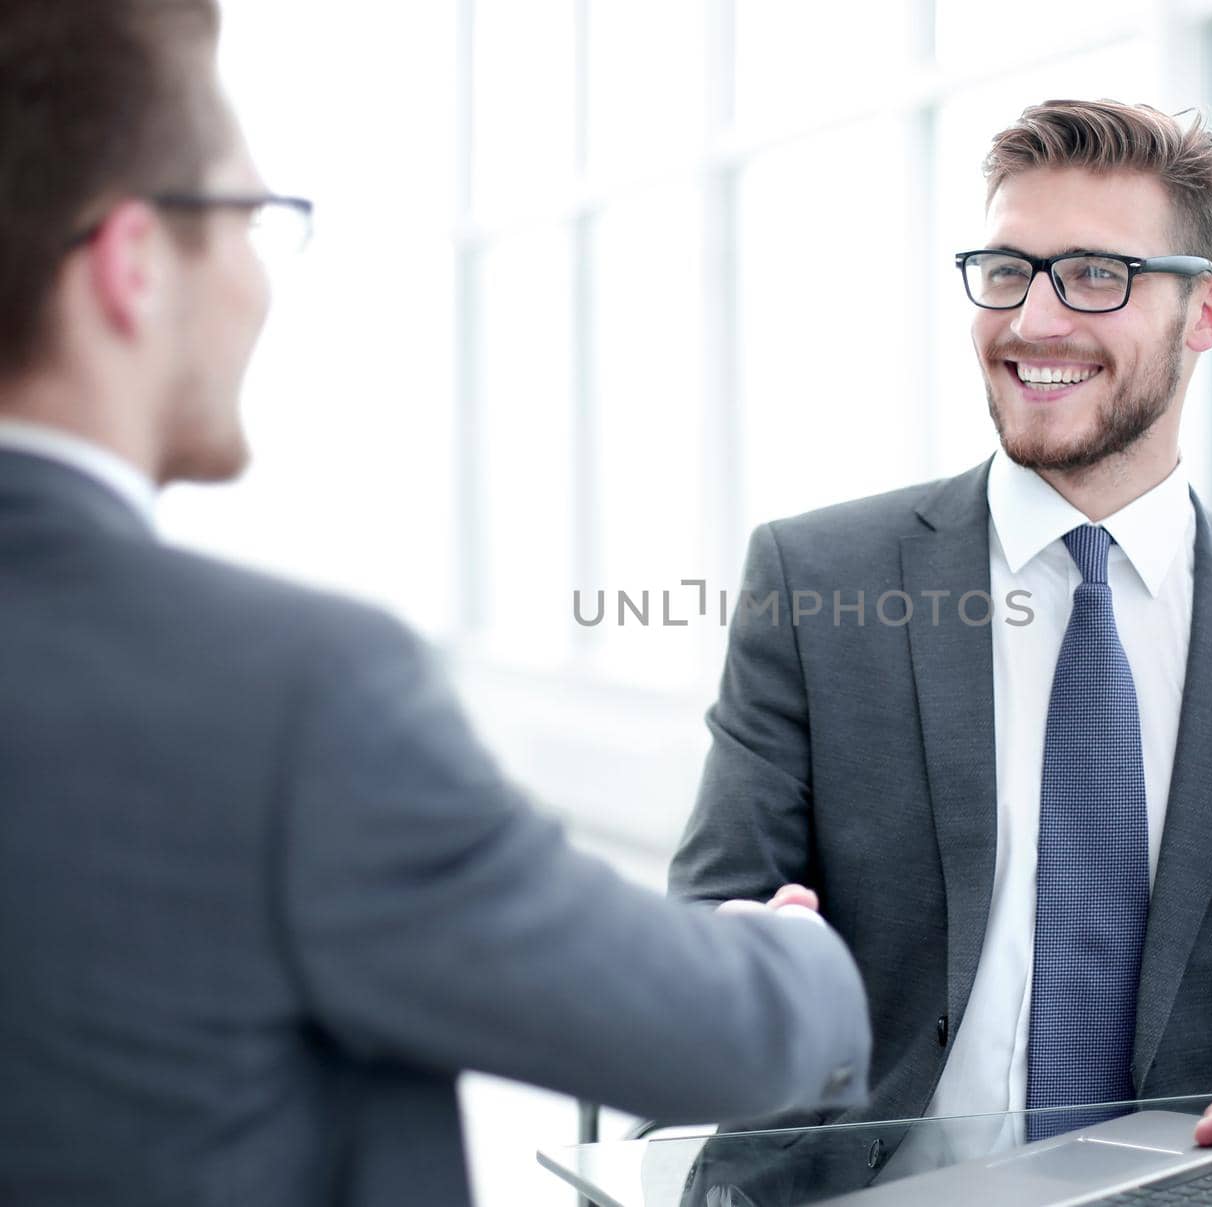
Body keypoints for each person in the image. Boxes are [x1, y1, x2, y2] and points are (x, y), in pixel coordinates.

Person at [0, 3, 870, 1204]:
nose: (256, 278)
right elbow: (702, 1030)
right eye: (249, 218)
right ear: (132, 263)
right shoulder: (285, 695)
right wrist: (794, 956)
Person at [670, 98, 1212, 1198]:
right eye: (1007, 270)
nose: (1034, 321)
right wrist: (727, 959)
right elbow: (710, 915)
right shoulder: (818, 582)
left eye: (1096, 274)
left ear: (1208, 311)